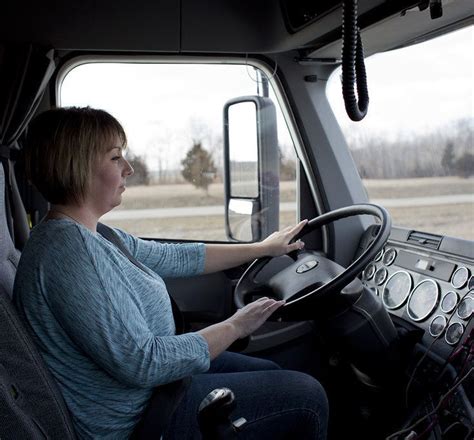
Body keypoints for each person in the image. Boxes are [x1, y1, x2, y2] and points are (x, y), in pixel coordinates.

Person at [13, 107, 328, 439]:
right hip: (140, 419)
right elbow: (143, 362)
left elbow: (174, 257)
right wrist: (236, 325)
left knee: (272, 373)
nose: (129, 169)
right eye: (115, 158)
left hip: (160, 387)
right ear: (76, 166)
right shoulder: (69, 252)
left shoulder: (95, 235)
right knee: (307, 395)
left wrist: (262, 248)